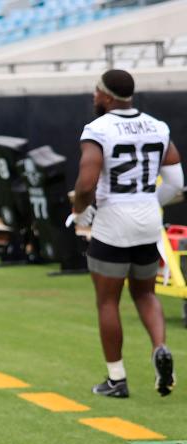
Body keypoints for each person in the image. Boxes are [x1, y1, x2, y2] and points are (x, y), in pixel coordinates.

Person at [72, 69, 181, 398]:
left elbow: (86, 183)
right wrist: (148, 201)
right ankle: (160, 347)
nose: (94, 97)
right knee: (146, 294)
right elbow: (176, 183)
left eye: (96, 91)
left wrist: (79, 212)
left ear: (106, 96)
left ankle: (117, 379)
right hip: (148, 220)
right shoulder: (158, 126)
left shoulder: (98, 129)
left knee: (108, 301)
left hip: (113, 223)